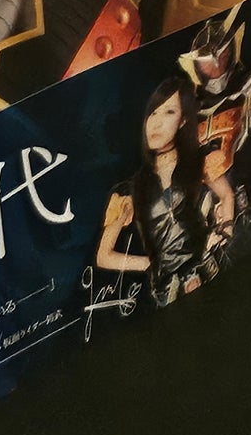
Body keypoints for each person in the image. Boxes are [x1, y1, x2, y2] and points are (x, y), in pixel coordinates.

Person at [94, 80, 237, 308]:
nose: (157, 123)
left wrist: (225, 232)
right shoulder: (130, 190)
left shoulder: (198, 162)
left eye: (169, 112)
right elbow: (104, 256)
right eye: (153, 113)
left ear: (183, 121)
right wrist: (150, 264)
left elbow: (227, 195)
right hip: (168, 292)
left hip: (210, 269)